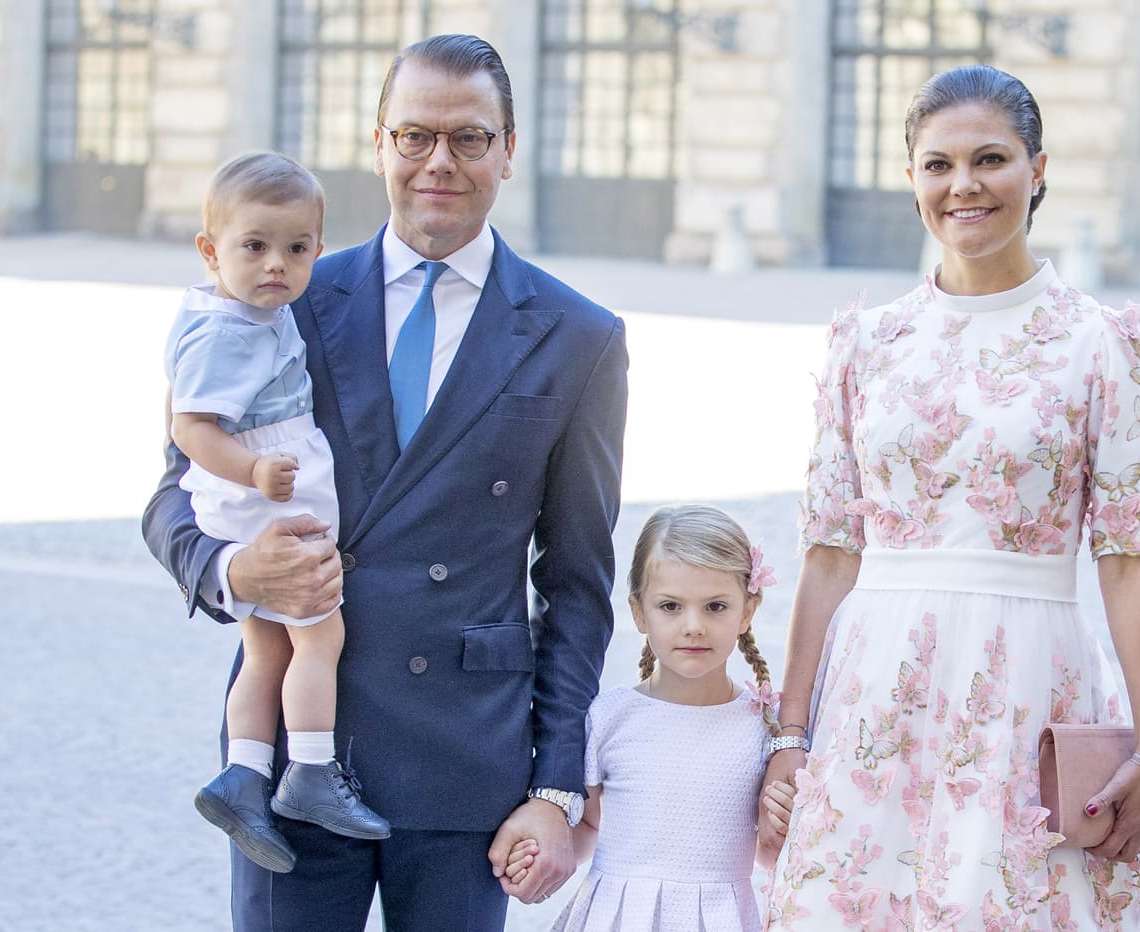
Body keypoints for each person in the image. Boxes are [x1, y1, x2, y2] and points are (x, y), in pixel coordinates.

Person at [143, 34, 628, 931]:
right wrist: (229, 572)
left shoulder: (578, 335)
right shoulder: (282, 289)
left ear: (509, 151)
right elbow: (173, 489)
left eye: (469, 138)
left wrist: (556, 786)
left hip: (465, 757)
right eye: (414, 136)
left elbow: (577, 583)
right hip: (292, 761)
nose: (438, 161)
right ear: (378, 144)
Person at [759, 65, 1140, 929]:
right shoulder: (868, 342)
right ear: (911, 176)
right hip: (875, 690)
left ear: (1038, 168)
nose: (965, 185)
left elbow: (1131, 563)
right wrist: (790, 736)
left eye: (991, 159)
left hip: (1027, 682)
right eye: (937, 164)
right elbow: (832, 549)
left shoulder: (1099, 344)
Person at [165, 152, 391, 876]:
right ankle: (313, 772)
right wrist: (255, 472)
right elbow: (188, 432)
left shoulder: (240, 312)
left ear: (318, 250)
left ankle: (244, 775)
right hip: (263, 497)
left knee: (267, 650)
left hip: (262, 490)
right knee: (321, 636)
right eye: (254, 247)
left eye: (296, 250)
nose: (276, 266)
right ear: (210, 251)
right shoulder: (229, 331)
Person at [528, 505, 796, 931]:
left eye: (715, 606)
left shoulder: (766, 726)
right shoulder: (611, 717)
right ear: (638, 612)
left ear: (747, 611)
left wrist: (781, 830)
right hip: (617, 917)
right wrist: (542, 853)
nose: (693, 625)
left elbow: (765, 853)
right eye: (670, 606)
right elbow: (590, 828)